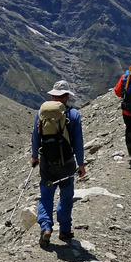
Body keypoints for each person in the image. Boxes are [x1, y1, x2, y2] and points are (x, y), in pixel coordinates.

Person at [31, 80, 85, 247]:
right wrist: (81, 164)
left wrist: (34, 156)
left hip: (47, 162)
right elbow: (78, 142)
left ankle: (46, 227)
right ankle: (65, 230)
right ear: (67, 96)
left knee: (46, 196)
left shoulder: (41, 113)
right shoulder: (74, 115)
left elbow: (35, 137)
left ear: (53, 95)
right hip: (67, 162)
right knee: (66, 195)